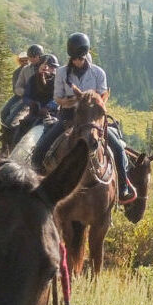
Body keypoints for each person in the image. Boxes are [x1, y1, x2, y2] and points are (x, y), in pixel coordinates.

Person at [51, 32, 135, 203]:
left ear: (86, 55)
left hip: (93, 116)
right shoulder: (61, 72)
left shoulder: (98, 73)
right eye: (74, 58)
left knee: (118, 148)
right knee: (42, 148)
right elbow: (57, 98)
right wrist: (72, 101)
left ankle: (122, 186)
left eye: (81, 58)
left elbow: (102, 97)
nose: (77, 61)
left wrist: (89, 101)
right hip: (69, 114)